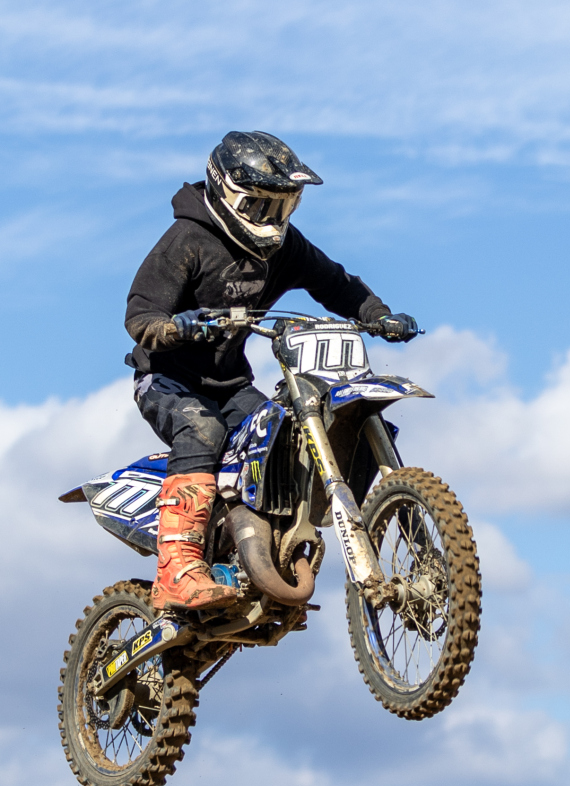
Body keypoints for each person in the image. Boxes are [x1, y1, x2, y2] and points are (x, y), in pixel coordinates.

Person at [123, 130, 417, 612]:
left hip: (230, 384)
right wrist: (174, 327)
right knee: (202, 430)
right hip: (166, 380)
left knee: (279, 436)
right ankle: (177, 569)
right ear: (227, 194)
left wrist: (377, 315)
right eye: (260, 206)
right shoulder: (187, 240)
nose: (272, 220)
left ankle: (251, 551)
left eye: (282, 207)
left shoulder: (284, 248)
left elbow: (335, 282)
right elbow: (140, 314)